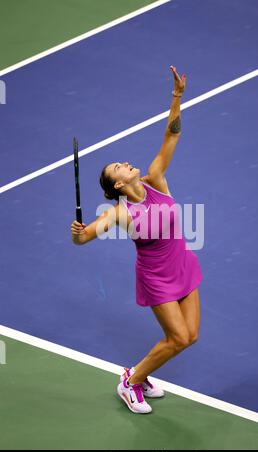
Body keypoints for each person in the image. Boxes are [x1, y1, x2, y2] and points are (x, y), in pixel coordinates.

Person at [71, 65, 203, 414]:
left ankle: (140, 377)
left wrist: (177, 97)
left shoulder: (155, 179)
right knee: (176, 338)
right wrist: (78, 234)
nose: (126, 164)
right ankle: (130, 381)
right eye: (118, 167)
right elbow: (84, 240)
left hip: (184, 264)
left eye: (124, 162)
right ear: (116, 185)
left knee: (190, 337)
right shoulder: (118, 213)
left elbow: (171, 136)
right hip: (157, 277)